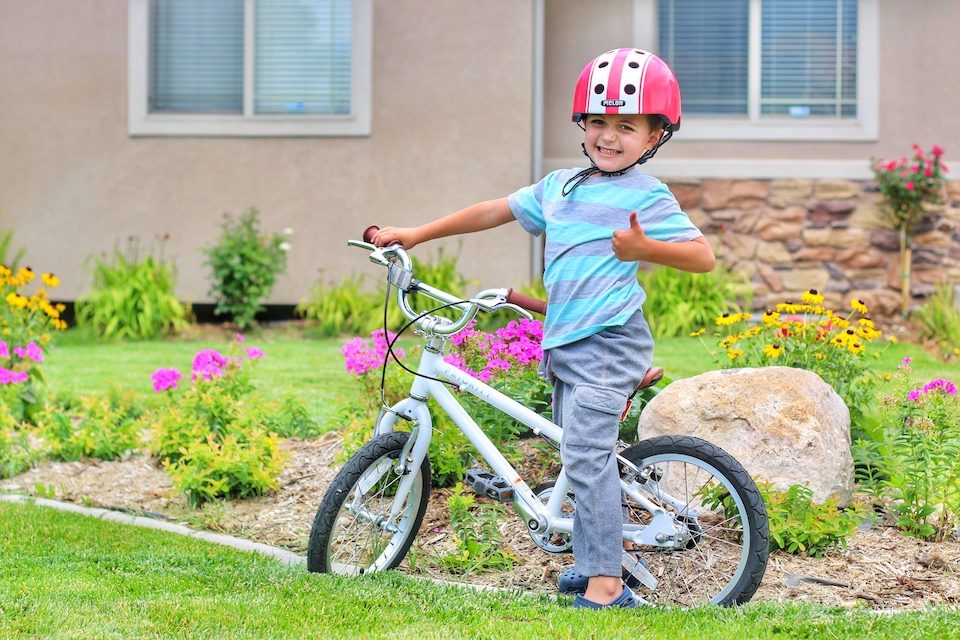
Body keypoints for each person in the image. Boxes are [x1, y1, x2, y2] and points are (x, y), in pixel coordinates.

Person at [373, 48, 715, 608]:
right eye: (598, 121)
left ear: (656, 136)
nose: (608, 136)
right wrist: (417, 233)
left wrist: (644, 248)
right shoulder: (561, 187)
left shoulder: (647, 195)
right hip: (565, 346)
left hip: (610, 343)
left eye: (626, 126)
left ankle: (606, 586)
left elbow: (702, 257)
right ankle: (594, 558)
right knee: (578, 456)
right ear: (582, 124)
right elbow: (494, 210)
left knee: (584, 456)